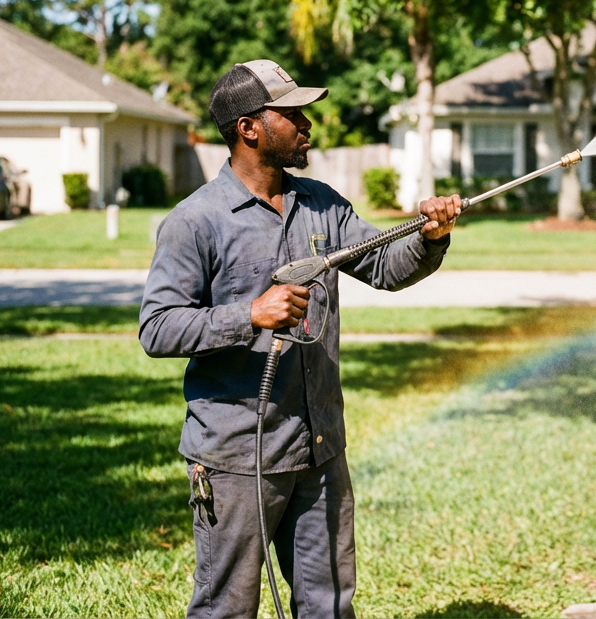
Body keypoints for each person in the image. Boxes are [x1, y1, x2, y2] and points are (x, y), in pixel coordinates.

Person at [139, 59, 460, 619]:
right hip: (239, 457)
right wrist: (251, 315)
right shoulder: (196, 221)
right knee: (225, 609)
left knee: (329, 606)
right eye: (292, 114)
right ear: (249, 128)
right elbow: (158, 327)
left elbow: (385, 266)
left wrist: (431, 238)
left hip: (318, 448)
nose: (307, 124)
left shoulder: (321, 204)